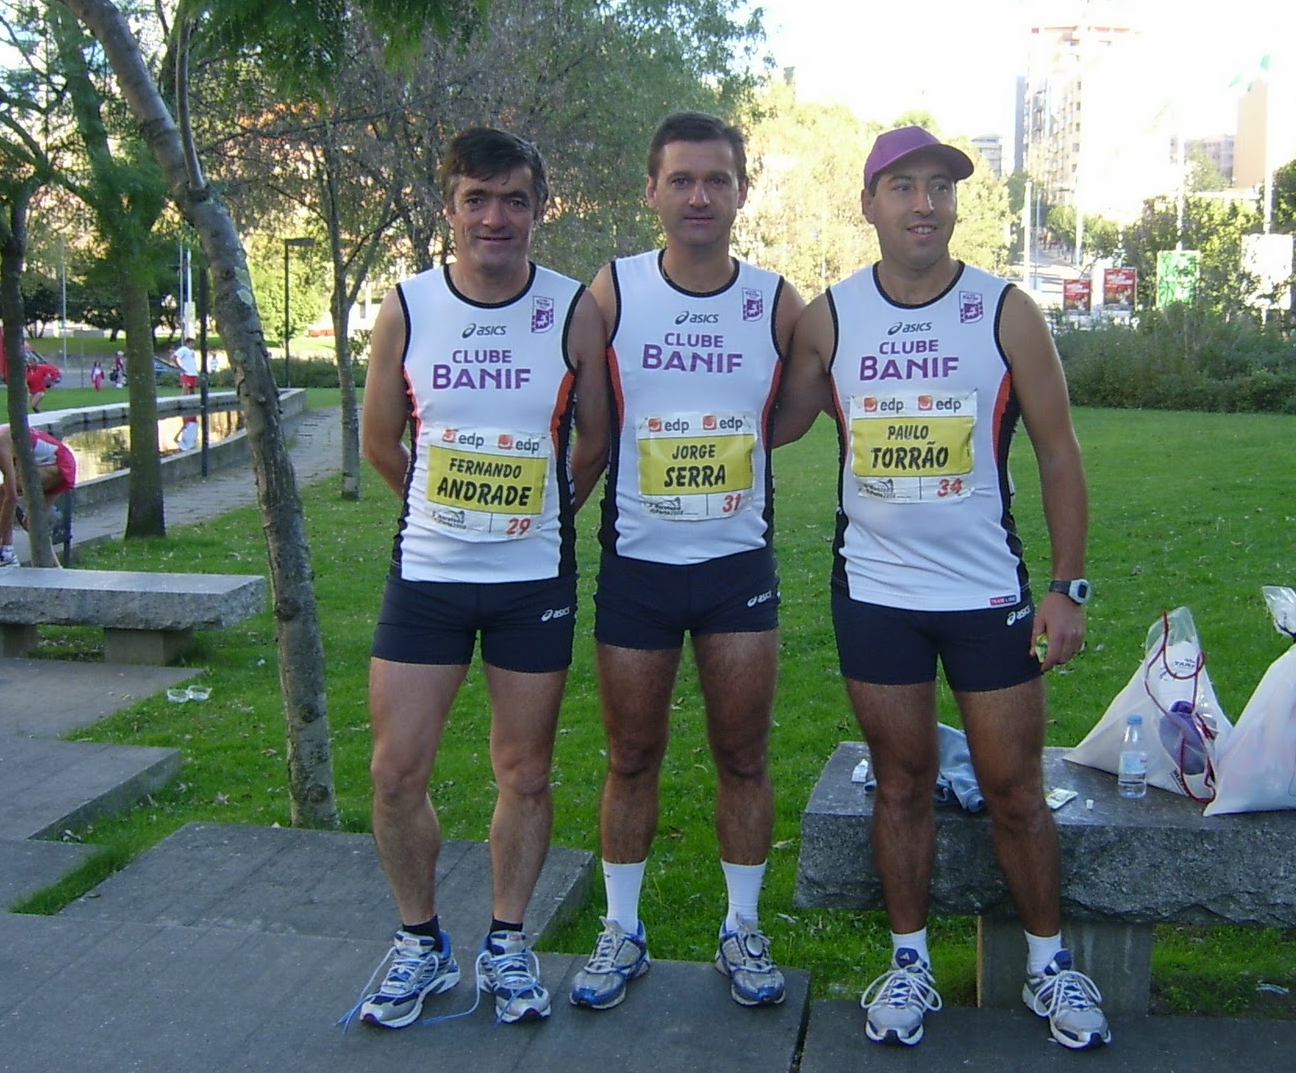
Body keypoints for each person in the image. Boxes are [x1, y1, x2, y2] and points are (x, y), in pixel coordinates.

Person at [773, 126, 1109, 1051]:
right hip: (875, 592)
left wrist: (1068, 588)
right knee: (902, 783)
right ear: (869, 205)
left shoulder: (1006, 312)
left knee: (1014, 788)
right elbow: (772, 423)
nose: (924, 204)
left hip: (986, 593)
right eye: (904, 187)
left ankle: (1049, 965)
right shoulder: (830, 318)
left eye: (941, 188)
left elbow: (1060, 453)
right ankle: (910, 962)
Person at [351, 127, 609, 1030]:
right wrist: (446, 510)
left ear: (539, 209)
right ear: (449, 207)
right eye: (477, 199)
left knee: (525, 773)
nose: (495, 217)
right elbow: (380, 442)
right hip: (427, 575)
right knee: (395, 772)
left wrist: (537, 516)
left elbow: (595, 439)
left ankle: (507, 942)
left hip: (532, 581)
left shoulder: (573, 308)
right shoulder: (408, 307)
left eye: (514, 200)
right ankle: (420, 943)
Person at [569, 112, 804, 1012]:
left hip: (737, 571)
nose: (699, 196)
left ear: (742, 191)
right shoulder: (616, 290)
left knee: (743, 755)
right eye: (681, 180)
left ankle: (742, 928)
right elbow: (585, 413)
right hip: (639, 568)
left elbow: (793, 412)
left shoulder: (775, 301)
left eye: (717, 180)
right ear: (653, 192)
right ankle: (621, 930)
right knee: (631, 755)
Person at [0, 425, 77, 567]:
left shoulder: (0, 447)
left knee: (4, 492)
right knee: (32, 522)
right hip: (44, 465)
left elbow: (11, 497)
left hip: (60, 464)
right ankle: (57, 569)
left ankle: (7, 553)